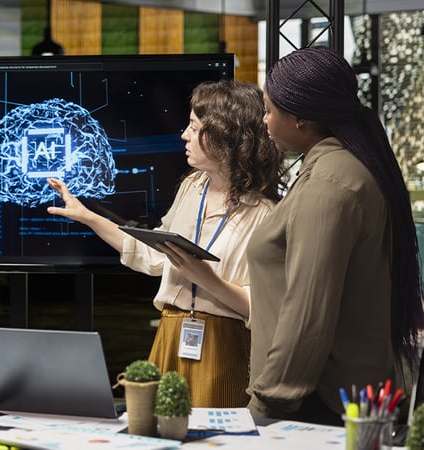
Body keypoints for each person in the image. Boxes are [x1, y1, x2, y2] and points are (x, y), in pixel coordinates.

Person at [47, 80, 283, 407]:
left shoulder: (266, 215)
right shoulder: (192, 188)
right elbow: (154, 258)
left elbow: (265, 308)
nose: (184, 135)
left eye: (193, 127)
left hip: (223, 346)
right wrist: (88, 216)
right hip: (170, 335)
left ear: (224, 137)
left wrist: (206, 279)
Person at [246, 46, 424, 425]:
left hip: (313, 404)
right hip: (332, 397)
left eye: (269, 109)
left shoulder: (329, 184)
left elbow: (308, 313)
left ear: (300, 119)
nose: (263, 120)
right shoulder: (345, 166)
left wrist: (268, 404)